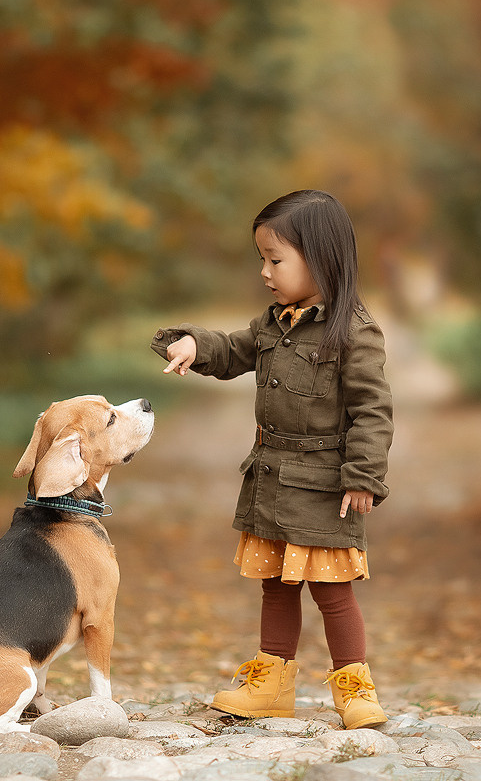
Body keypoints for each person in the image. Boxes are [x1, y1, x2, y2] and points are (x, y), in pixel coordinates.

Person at [150, 189, 394, 729]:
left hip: (324, 485)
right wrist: (194, 343)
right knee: (276, 586)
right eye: (262, 258)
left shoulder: (353, 331)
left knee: (333, 592)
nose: (265, 271)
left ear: (321, 258)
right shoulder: (273, 323)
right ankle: (272, 680)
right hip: (271, 479)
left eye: (275, 259)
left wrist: (363, 477)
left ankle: (353, 684)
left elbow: (372, 410)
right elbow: (235, 349)